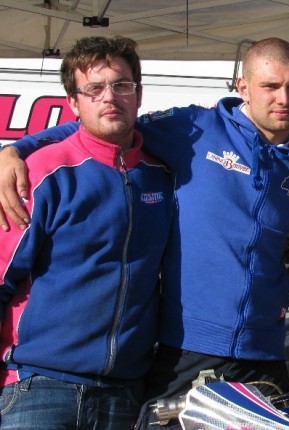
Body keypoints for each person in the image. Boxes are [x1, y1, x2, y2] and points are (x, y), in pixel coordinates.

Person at [0, 37, 289, 429]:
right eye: (270, 86)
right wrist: (16, 150)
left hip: (265, 356)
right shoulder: (193, 128)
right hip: (182, 353)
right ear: (243, 87)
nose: (283, 99)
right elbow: (106, 125)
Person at [0, 36, 174, 429]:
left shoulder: (162, 176)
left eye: (121, 85)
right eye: (94, 89)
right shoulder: (41, 174)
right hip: (39, 388)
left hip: (125, 393)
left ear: (138, 94)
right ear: (74, 103)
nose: (109, 97)